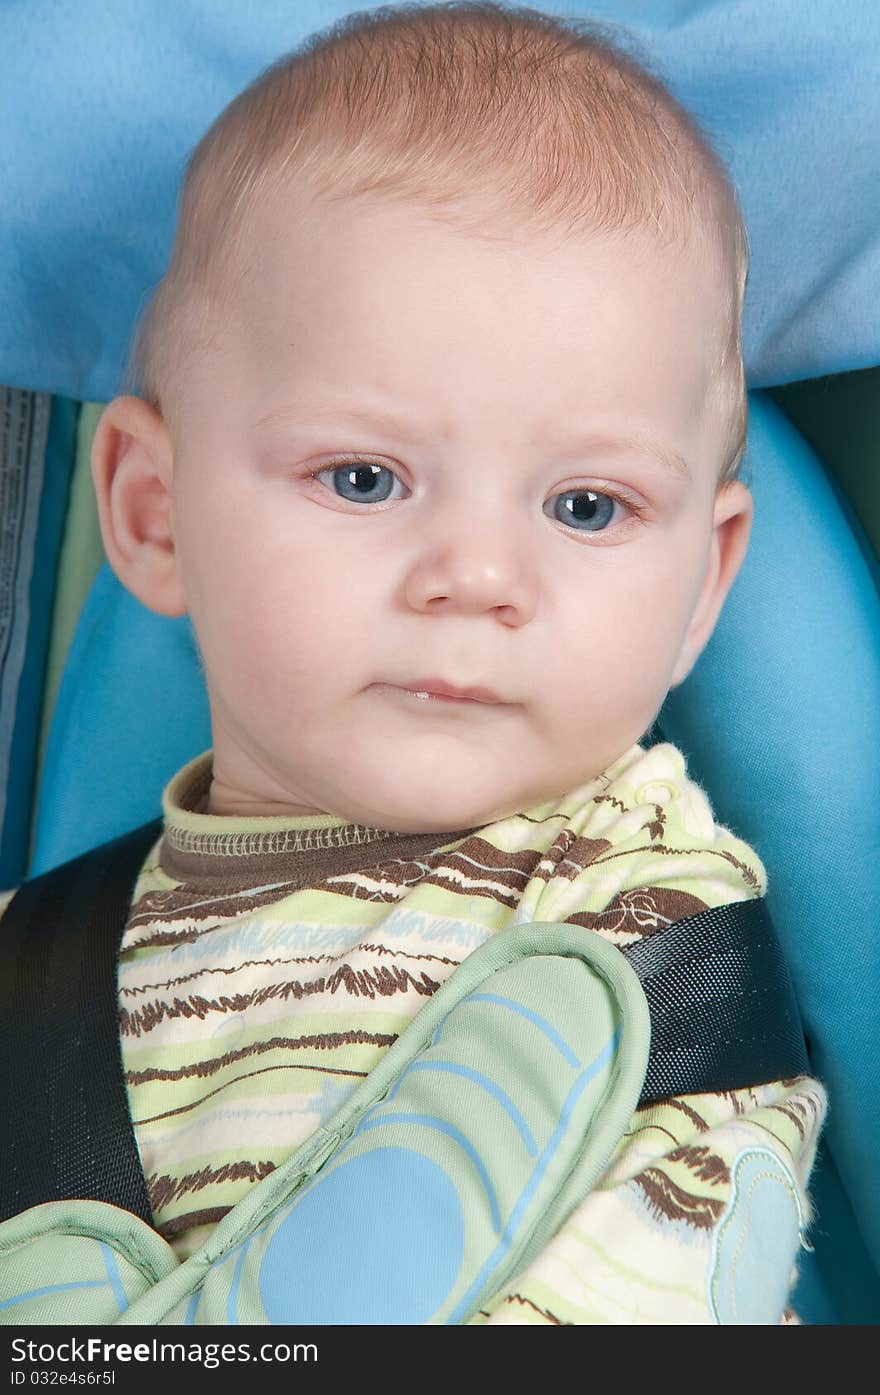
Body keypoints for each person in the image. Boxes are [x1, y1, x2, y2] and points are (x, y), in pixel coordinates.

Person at [12, 2, 826, 1323]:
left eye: (585, 507)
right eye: (366, 476)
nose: (478, 577)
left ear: (700, 588)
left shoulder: (635, 915)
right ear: (157, 516)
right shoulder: (32, 973)